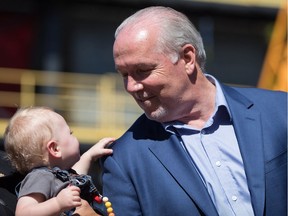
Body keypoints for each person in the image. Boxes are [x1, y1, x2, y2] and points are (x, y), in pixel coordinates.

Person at [101, 6, 287, 216]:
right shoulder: (125, 161)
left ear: (188, 58)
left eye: (142, 71)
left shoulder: (280, 110)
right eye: (124, 74)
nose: (131, 87)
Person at [4, 106, 115, 216]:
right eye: (70, 133)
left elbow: (76, 176)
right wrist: (57, 203)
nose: (75, 137)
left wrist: (89, 156)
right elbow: (23, 212)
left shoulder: (60, 176)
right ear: (55, 149)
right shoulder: (40, 177)